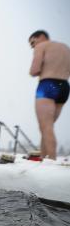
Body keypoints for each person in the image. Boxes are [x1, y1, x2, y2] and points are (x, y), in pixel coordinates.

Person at [28, 30, 70, 160]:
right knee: (47, 128)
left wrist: (33, 71)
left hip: (47, 85)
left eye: (32, 42)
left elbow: (34, 70)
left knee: (45, 127)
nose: (33, 46)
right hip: (64, 86)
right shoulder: (65, 48)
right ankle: (43, 157)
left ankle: (52, 161)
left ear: (41, 37)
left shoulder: (42, 46)